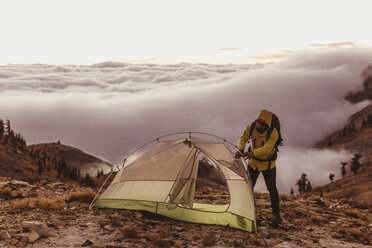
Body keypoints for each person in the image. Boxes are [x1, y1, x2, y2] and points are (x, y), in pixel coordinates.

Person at [235, 109, 282, 224]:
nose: (258, 125)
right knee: (248, 186)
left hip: (268, 164)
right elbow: (243, 137)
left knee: (271, 188)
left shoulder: (273, 133)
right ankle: (244, 211)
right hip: (253, 163)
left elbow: (267, 148)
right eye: (257, 122)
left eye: (261, 124)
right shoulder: (252, 127)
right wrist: (241, 149)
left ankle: (276, 214)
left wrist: (252, 153)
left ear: (266, 125)